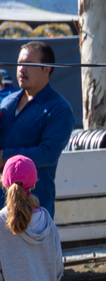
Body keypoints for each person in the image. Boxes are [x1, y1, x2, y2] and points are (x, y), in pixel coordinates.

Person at [0, 41, 74, 217]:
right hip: (3, 206)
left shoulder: (59, 109)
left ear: (46, 68)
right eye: (19, 63)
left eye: (28, 64)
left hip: (32, 207)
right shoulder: (8, 102)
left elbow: (47, 154)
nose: (21, 69)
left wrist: (4, 157)